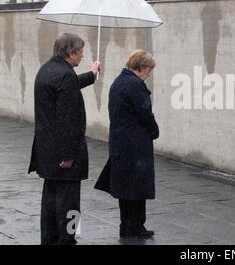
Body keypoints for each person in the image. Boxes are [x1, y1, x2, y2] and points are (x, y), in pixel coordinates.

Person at [28, 33, 101, 245]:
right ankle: (68, 239)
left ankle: (49, 239)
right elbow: (68, 120)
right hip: (64, 154)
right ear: (71, 53)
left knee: (50, 200)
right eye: (80, 52)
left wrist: (92, 74)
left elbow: (67, 86)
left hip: (46, 151)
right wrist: (68, 155)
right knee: (70, 203)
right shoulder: (65, 76)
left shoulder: (47, 70)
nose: (82, 55)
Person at [95, 49, 159, 239]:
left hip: (121, 143)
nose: (149, 74)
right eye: (149, 70)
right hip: (135, 145)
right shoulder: (134, 85)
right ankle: (134, 228)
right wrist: (155, 131)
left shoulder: (119, 81)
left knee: (126, 189)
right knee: (137, 189)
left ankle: (129, 226)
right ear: (141, 67)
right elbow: (145, 113)